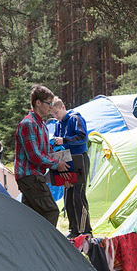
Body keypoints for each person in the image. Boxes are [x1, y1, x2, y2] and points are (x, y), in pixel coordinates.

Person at [15, 85, 68, 225]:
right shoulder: (28, 124)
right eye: (48, 103)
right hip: (30, 176)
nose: (51, 107)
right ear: (38, 103)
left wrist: (58, 154)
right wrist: (57, 164)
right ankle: (46, 246)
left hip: (34, 175)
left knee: (31, 218)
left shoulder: (42, 125)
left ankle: (31, 245)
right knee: (51, 211)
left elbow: (45, 151)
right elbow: (35, 156)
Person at [51, 97, 92, 238]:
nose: (55, 116)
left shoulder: (76, 118)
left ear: (62, 107)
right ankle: (73, 230)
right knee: (68, 197)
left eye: (56, 113)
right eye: (52, 115)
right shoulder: (58, 123)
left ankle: (86, 230)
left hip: (79, 159)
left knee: (78, 196)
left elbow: (83, 137)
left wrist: (65, 140)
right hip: (65, 161)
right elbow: (58, 141)